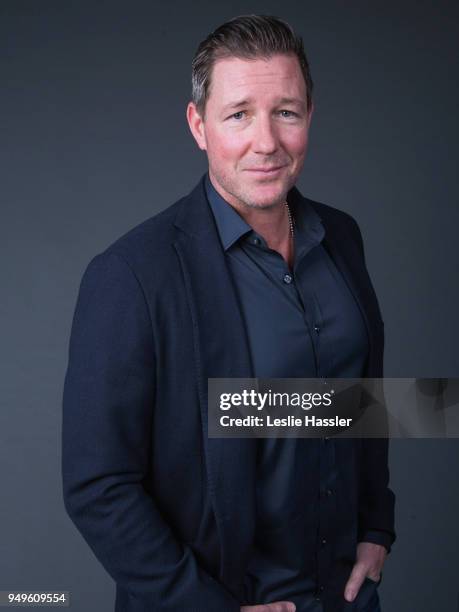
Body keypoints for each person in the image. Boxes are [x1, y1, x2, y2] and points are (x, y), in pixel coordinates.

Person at [62, 14, 395, 612]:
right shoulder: (132, 275)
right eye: (239, 114)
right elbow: (98, 486)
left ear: (309, 116)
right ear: (199, 125)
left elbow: (358, 399)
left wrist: (378, 523)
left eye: (286, 112)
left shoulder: (342, 237)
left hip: (345, 596)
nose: (266, 141)